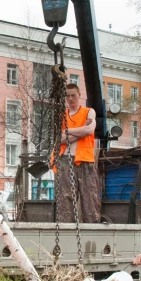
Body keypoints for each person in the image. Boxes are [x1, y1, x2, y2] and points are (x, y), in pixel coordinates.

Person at [55, 83, 101, 223]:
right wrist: (82, 130)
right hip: (65, 160)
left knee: (90, 199)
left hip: (85, 159)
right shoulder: (62, 115)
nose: (70, 98)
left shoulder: (89, 112)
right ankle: (65, 232)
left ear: (79, 95)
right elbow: (58, 139)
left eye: (73, 95)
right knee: (65, 200)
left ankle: (93, 232)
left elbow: (89, 131)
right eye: (67, 96)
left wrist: (66, 133)